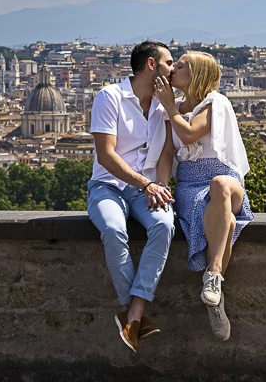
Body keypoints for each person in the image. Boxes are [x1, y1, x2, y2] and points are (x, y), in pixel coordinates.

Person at [153, 50, 253, 341]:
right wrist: (160, 187)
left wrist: (170, 107)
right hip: (188, 185)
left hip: (224, 181)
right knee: (228, 226)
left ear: (195, 73)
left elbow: (188, 134)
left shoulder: (215, 103)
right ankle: (216, 298)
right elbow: (168, 153)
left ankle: (213, 274)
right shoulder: (171, 108)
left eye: (179, 66)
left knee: (220, 185)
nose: (173, 71)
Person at [87, 39, 177, 353]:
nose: (173, 68)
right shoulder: (109, 97)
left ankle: (133, 313)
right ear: (151, 65)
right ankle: (132, 312)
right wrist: (146, 184)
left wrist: (161, 185)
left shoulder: (165, 102)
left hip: (146, 189)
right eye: (168, 63)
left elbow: (167, 151)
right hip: (107, 187)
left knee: (165, 225)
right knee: (113, 229)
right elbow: (106, 156)